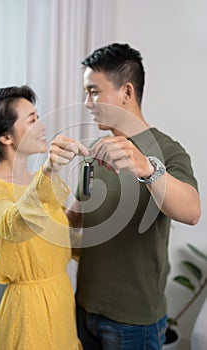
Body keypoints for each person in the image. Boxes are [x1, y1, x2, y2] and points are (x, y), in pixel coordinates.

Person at [67, 43, 201, 350]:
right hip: (84, 307)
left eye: (94, 91)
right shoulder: (96, 150)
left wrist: (145, 167)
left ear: (126, 92)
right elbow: (75, 219)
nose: (87, 102)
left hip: (133, 322)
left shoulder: (167, 150)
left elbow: (192, 212)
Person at [0, 85, 89, 350]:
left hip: (61, 302)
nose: (42, 127)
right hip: (29, 312)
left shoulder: (37, 181)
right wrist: (48, 170)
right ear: (5, 137)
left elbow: (60, 239)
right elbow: (14, 226)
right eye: (32, 120)